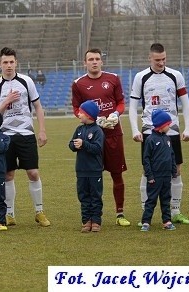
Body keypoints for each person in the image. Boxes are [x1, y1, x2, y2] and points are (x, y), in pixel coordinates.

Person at [129, 43, 189, 226]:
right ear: (150, 58)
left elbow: (186, 104)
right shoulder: (141, 77)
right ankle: (145, 213)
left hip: (171, 131)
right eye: (157, 60)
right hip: (149, 131)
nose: (161, 63)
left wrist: (188, 128)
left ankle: (175, 212)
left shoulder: (175, 76)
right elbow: (133, 106)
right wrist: (135, 130)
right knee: (146, 168)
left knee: (176, 170)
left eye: (164, 59)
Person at [0, 47, 51, 227]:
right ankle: (10, 214)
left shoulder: (26, 81)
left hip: (26, 134)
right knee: (8, 175)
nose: (8, 65)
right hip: (6, 136)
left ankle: (39, 211)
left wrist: (42, 130)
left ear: (16, 63)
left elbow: (38, 106)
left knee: (33, 172)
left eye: (11, 62)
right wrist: (6, 102)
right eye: (5, 62)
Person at [70, 48, 130, 226]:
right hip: (91, 136)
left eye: (97, 59)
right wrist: (94, 120)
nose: (94, 62)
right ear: (85, 62)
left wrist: (116, 115)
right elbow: (76, 109)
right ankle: (91, 216)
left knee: (116, 173)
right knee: (91, 176)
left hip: (113, 133)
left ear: (101, 61)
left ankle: (120, 214)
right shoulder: (78, 84)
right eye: (91, 59)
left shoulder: (113, 79)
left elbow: (120, 103)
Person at [68, 101, 105, 233]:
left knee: (95, 196)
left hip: (94, 170)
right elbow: (71, 144)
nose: (78, 114)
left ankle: (96, 221)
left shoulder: (97, 131)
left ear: (89, 115)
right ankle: (86, 221)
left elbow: (97, 148)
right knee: (83, 196)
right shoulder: (79, 129)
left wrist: (84, 144)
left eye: (81, 112)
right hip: (81, 170)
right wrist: (74, 145)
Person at [140, 110, 178, 232]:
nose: (169, 126)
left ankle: (167, 221)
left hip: (166, 176)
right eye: (168, 124)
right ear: (161, 126)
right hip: (155, 177)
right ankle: (146, 222)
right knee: (151, 200)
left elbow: (171, 155)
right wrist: (149, 175)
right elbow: (146, 159)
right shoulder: (150, 140)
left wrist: (173, 170)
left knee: (166, 199)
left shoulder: (167, 139)